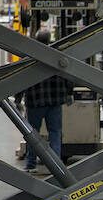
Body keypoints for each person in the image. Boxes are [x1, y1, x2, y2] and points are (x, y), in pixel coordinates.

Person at [22, 29, 74, 172]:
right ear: (49, 39)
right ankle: (56, 165)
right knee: (55, 132)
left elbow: (21, 79)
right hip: (55, 101)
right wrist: (69, 93)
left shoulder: (30, 56)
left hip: (36, 102)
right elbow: (67, 75)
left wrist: (18, 98)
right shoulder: (57, 56)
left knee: (33, 133)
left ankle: (31, 164)